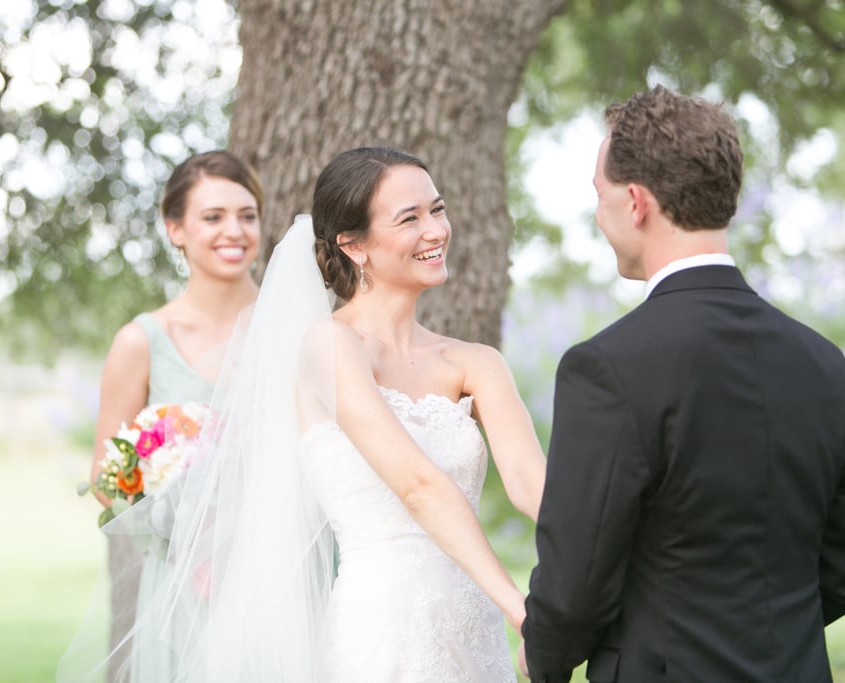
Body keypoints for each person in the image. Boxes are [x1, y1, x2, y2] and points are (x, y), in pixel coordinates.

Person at [90, 145, 546, 682]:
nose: (435, 230)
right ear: (354, 245)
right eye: (410, 218)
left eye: (437, 210)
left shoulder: (478, 363)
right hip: (381, 629)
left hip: (473, 627)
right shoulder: (326, 346)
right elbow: (417, 486)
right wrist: (524, 613)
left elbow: (530, 481)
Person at [521, 85, 845, 682]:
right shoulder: (827, 365)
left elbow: (576, 584)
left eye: (600, 194)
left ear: (637, 202)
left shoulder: (607, 368)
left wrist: (540, 659)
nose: (598, 212)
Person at [65, 150, 263, 682]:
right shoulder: (143, 341)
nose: (235, 231)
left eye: (247, 215)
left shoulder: (293, 331)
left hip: (277, 572)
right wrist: (187, 532)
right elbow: (106, 479)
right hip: (179, 586)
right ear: (175, 229)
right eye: (213, 217)